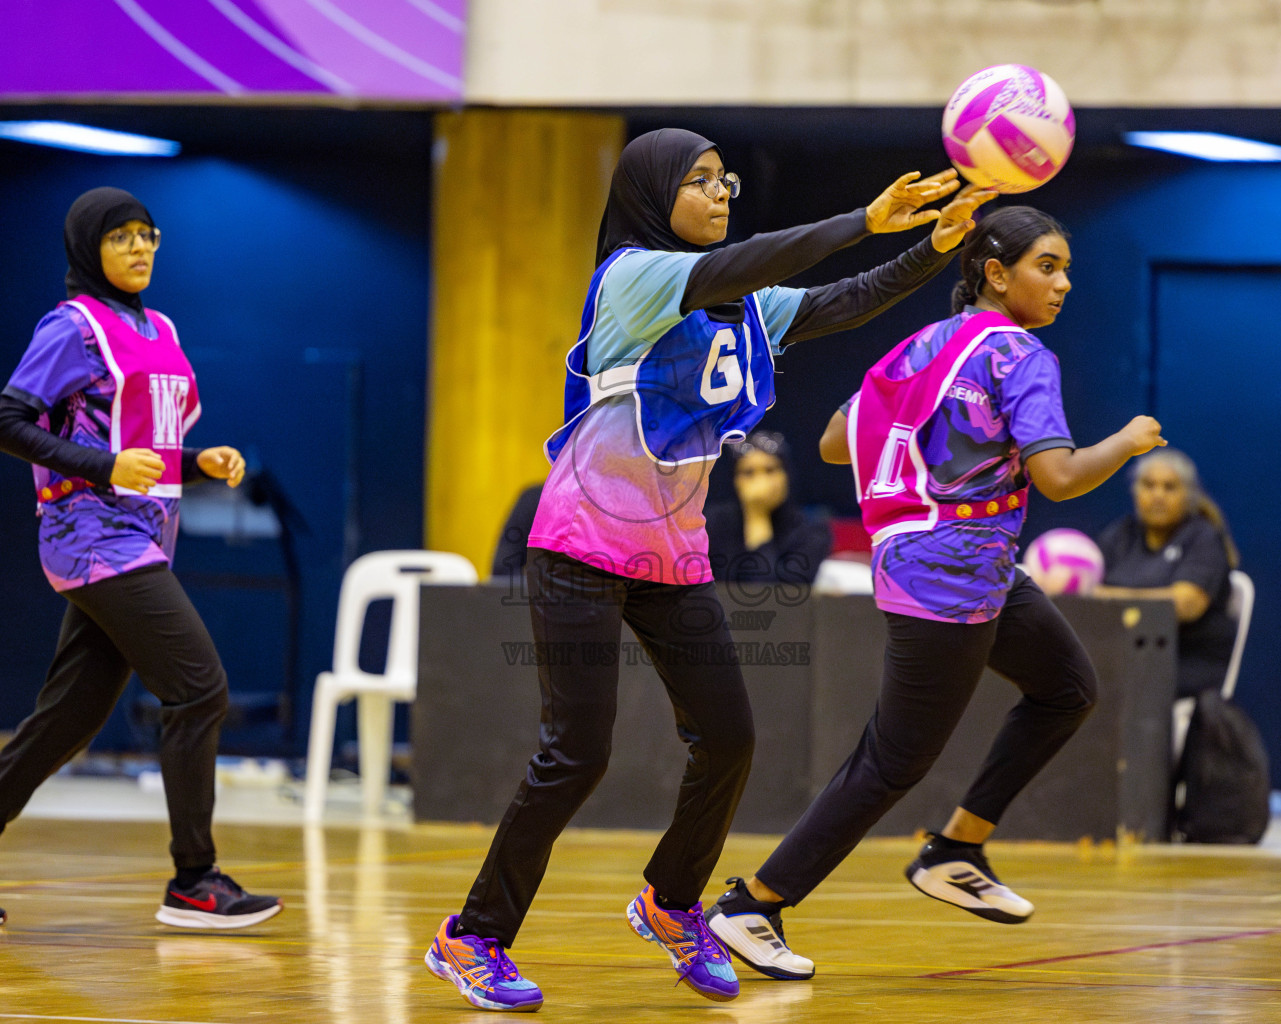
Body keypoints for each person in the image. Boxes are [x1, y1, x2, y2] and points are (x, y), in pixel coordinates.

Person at [423, 128, 995, 1012]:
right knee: (575, 755)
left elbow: (845, 302)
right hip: (577, 545)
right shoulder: (632, 276)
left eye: (726, 177)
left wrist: (932, 248)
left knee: (729, 738)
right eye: (699, 181)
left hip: (673, 555)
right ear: (655, 195)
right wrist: (864, 216)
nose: (721, 192)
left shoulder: (742, 306)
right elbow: (755, 260)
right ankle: (472, 938)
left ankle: (670, 901)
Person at [704, 206, 1165, 982]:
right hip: (947, 576)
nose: (1064, 283)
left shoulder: (920, 346)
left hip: (954, 564)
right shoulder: (1018, 354)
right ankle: (754, 903)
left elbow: (830, 440)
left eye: (1065, 267)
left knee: (1066, 688)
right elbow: (1057, 476)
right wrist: (1126, 441)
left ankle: (955, 849)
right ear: (995, 272)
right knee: (892, 762)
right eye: (1046, 266)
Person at [0, 187, 281, 930]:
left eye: (148, 235)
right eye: (121, 237)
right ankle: (195, 880)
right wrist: (106, 469)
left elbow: (145, 444)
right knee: (199, 689)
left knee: (69, 717)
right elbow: (7, 425)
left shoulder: (159, 328)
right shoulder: (72, 327)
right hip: (90, 535)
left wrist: (200, 462)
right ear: (87, 249)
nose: (139, 248)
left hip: (142, 537)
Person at [1093, 449, 1239, 697]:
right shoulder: (1120, 534)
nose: (1157, 495)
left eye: (1169, 487)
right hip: (1122, 651)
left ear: (1189, 495)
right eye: (1148, 485)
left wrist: (1106, 597)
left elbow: (1185, 604)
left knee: (1107, 684)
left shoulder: (1202, 537)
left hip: (1185, 659)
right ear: (1135, 491)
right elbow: (1083, 593)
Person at [706, 430, 832, 586]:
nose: (760, 482)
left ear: (787, 475)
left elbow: (773, 598)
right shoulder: (713, 524)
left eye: (770, 470)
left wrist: (757, 516)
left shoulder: (812, 532)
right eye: (749, 473)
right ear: (735, 480)